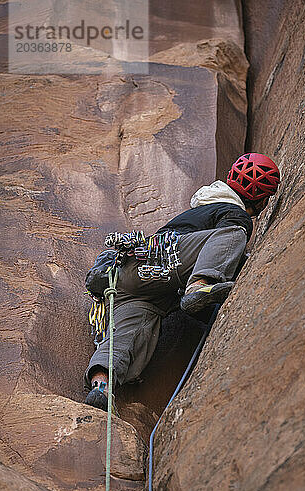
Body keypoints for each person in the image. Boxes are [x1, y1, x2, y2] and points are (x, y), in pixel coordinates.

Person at [84, 153, 280, 410]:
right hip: (168, 261)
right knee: (232, 234)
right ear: (262, 201)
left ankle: (102, 385)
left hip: (129, 279)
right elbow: (222, 246)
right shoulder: (234, 214)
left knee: (124, 335)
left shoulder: (199, 209)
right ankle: (200, 283)